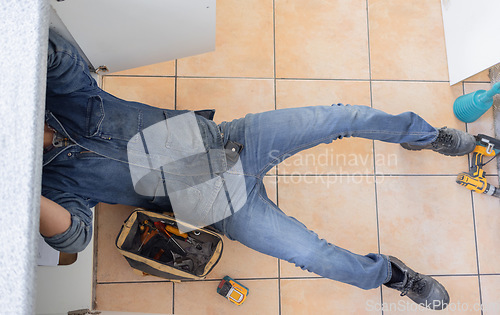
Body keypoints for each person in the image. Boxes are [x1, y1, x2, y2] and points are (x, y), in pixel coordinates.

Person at [41, 30, 476, 310]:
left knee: (340, 118)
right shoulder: (50, 184)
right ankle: (395, 275)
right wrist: (23, 191)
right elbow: (73, 236)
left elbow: (55, 50)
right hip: (220, 206)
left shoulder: (64, 98)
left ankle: (425, 137)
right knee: (311, 255)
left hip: (233, 140)